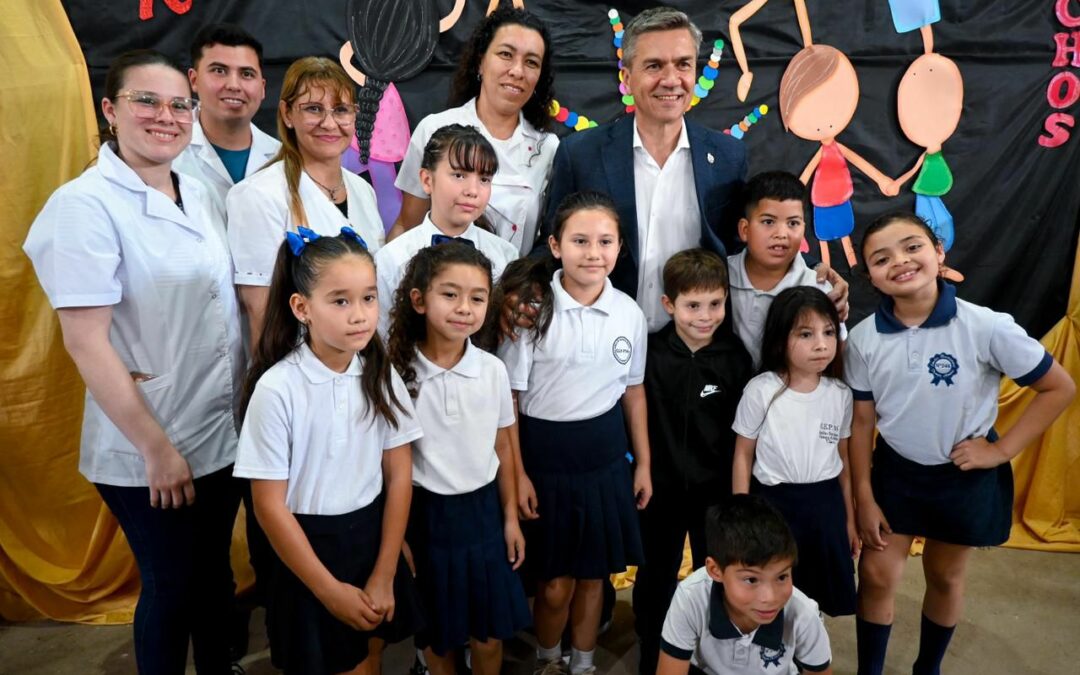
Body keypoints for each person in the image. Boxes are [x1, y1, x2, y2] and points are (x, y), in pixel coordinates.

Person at [23, 49, 245, 674]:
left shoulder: (198, 192)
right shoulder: (84, 205)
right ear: (109, 110)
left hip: (215, 427)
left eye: (180, 104)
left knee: (211, 579)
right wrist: (156, 447)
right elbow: (85, 341)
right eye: (146, 100)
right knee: (171, 589)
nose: (166, 116)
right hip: (149, 441)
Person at [846, 212, 1075, 675]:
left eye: (913, 246)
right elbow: (862, 420)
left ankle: (925, 669)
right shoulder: (863, 339)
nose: (901, 262)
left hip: (962, 476)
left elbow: (1060, 387)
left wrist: (1001, 450)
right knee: (875, 573)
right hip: (895, 473)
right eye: (881, 257)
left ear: (939, 252)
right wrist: (863, 497)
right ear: (869, 275)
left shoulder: (985, 326)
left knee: (944, 575)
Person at [234, 229, 423, 674]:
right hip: (308, 555)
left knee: (369, 655)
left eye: (369, 298)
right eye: (340, 301)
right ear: (302, 308)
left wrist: (385, 568)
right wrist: (328, 590)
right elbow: (269, 506)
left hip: (371, 540)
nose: (360, 316)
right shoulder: (279, 389)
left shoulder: (379, 374)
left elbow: (399, 476)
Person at [497, 191, 651, 675]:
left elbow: (634, 392)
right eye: (580, 240)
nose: (593, 252)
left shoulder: (629, 312)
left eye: (606, 241)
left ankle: (583, 663)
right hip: (544, 462)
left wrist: (643, 462)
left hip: (604, 460)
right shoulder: (531, 312)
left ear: (620, 247)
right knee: (555, 583)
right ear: (555, 246)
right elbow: (512, 404)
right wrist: (518, 475)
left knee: (593, 579)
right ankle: (549, 660)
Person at [540, 6, 746, 333]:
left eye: (683, 64)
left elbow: (746, 246)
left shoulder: (728, 156)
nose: (671, 79)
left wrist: (812, 271)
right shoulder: (580, 153)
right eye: (654, 66)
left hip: (693, 349)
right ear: (627, 77)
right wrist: (520, 291)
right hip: (600, 340)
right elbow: (549, 246)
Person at [386, 243, 531, 675]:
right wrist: (398, 541)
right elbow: (390, 469)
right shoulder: (395, 376)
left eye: (477, 297)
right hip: (427, 520)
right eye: (450, 294)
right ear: (418, 300)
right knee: (438, 637)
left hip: (483, 514)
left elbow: (502, 446)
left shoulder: (491, 370)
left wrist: (510, 518)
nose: (464, 308)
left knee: (488, 637)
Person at [634, 249, 753, 675]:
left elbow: (743, 433)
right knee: (656, 575)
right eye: (692, 306)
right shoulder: (650, 354)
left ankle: (710, 655)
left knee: (715, 574)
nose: (706, 316)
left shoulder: (735, 358)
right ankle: (652, 649)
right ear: (669, 304)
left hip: (714, 492)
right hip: (661, 488)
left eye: (715, 304)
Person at [227, 56, 384, 347]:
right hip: (299, 370)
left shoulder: (363, 191)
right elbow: (262, 313)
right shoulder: (258, 195)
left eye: (341, 110)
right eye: (313, 109)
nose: (329, 123)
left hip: (360, 362)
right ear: (287, 114)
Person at [390, 6, 558, 255]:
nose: (517, 71)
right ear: (480, 61)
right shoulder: (434, 129)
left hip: (512, 286)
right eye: (505, 54)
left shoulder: (548, 147)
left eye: (531, 62)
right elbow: (408, 225)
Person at [732, 286, 857, 618]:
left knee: (814, 599)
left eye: (828, 332)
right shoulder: (762, 390)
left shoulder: (840, 394)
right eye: (806, 333)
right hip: (774, 505)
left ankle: (806, 659)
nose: (820, 344)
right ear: (780, 339)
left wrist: (850, 519)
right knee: (773, 592)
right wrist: (741, 517)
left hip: (825, 507)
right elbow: (743, 454)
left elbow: (843, 462)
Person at [657, 495, 833, 675]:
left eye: (781, 577)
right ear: (715, 570)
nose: (770, 598)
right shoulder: (690, 598)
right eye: (751, 580)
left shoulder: (803, 613)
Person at [376, 124, 519, 336]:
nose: (472, 191)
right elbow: (383, 337)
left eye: (484, 179)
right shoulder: (393, 257)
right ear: (427, 180)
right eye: (459, 175)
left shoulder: (505, 256)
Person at [727, 171, 841, 369]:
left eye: (793, 223)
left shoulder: (819, 287)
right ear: (745, 230)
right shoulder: (721, 275)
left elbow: (838, 354)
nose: (781, 234)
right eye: (768, 222)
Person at [174, 23, 280, 230]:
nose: (233, 85)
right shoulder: (168, 155)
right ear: (193, 80)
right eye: (219, 71)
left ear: (262, 88)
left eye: (247, 74)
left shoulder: (282, 158)